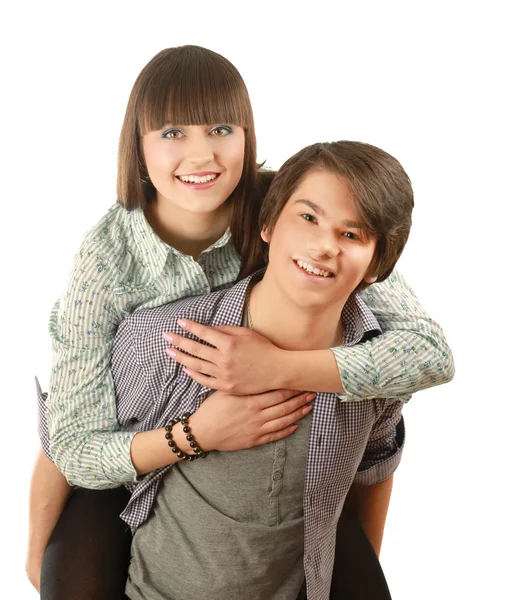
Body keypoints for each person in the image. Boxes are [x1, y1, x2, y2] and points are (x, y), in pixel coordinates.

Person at [26, 45, 453, 597]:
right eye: (173, 133)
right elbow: (75, 444)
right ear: (138, 145)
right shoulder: (107, 263)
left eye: (221, 129)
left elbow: (423, 352)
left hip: (290, 458)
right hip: (130, 458)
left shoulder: (297, 209)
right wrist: (196, 435)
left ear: (247, 135)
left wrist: (276, 367)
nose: (201, 155)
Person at [104, 139, 412, 599]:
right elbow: (77, 447)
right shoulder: (167, 340)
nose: (324, 245)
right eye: (308, 218)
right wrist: (193, 435)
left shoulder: (379, 370)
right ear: (268, 224)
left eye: (352, 235)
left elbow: (375, 466)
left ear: (376, 265)